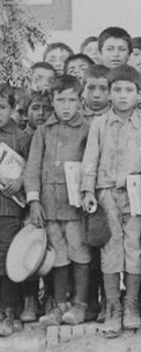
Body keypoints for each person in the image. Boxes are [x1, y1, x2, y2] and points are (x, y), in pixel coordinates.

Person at [80, 65, 141, 337]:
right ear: (109, 94)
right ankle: (112, 307)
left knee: (134, 248)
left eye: (129, 90)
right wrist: (88, 191)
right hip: (106, 193)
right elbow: (90, 159)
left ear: (138, 94)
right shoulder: (99, 124)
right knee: (110, 249)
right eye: (117, 90)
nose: (123, 95)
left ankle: (130, 304)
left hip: (136, 195)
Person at [24, 75, 92, 327]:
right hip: (49, 206)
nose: (65, 106)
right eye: (60, 100)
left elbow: (92, 164)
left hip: (75, 206)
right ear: (52, 101)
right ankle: (59, 305)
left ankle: (80, 304)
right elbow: (32, 168)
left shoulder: (87, 128)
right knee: (58, 256)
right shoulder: (43, 131)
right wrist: (34, 200)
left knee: (79, 253)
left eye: (71, 100)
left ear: (80, 101)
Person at [0, 85, 30, 337]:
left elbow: (32, 169)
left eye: (1, 107)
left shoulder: (21, 137)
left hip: (10, 209)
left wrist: (20, 182)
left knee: (7, 259)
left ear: (12, 109)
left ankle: (9, 311)